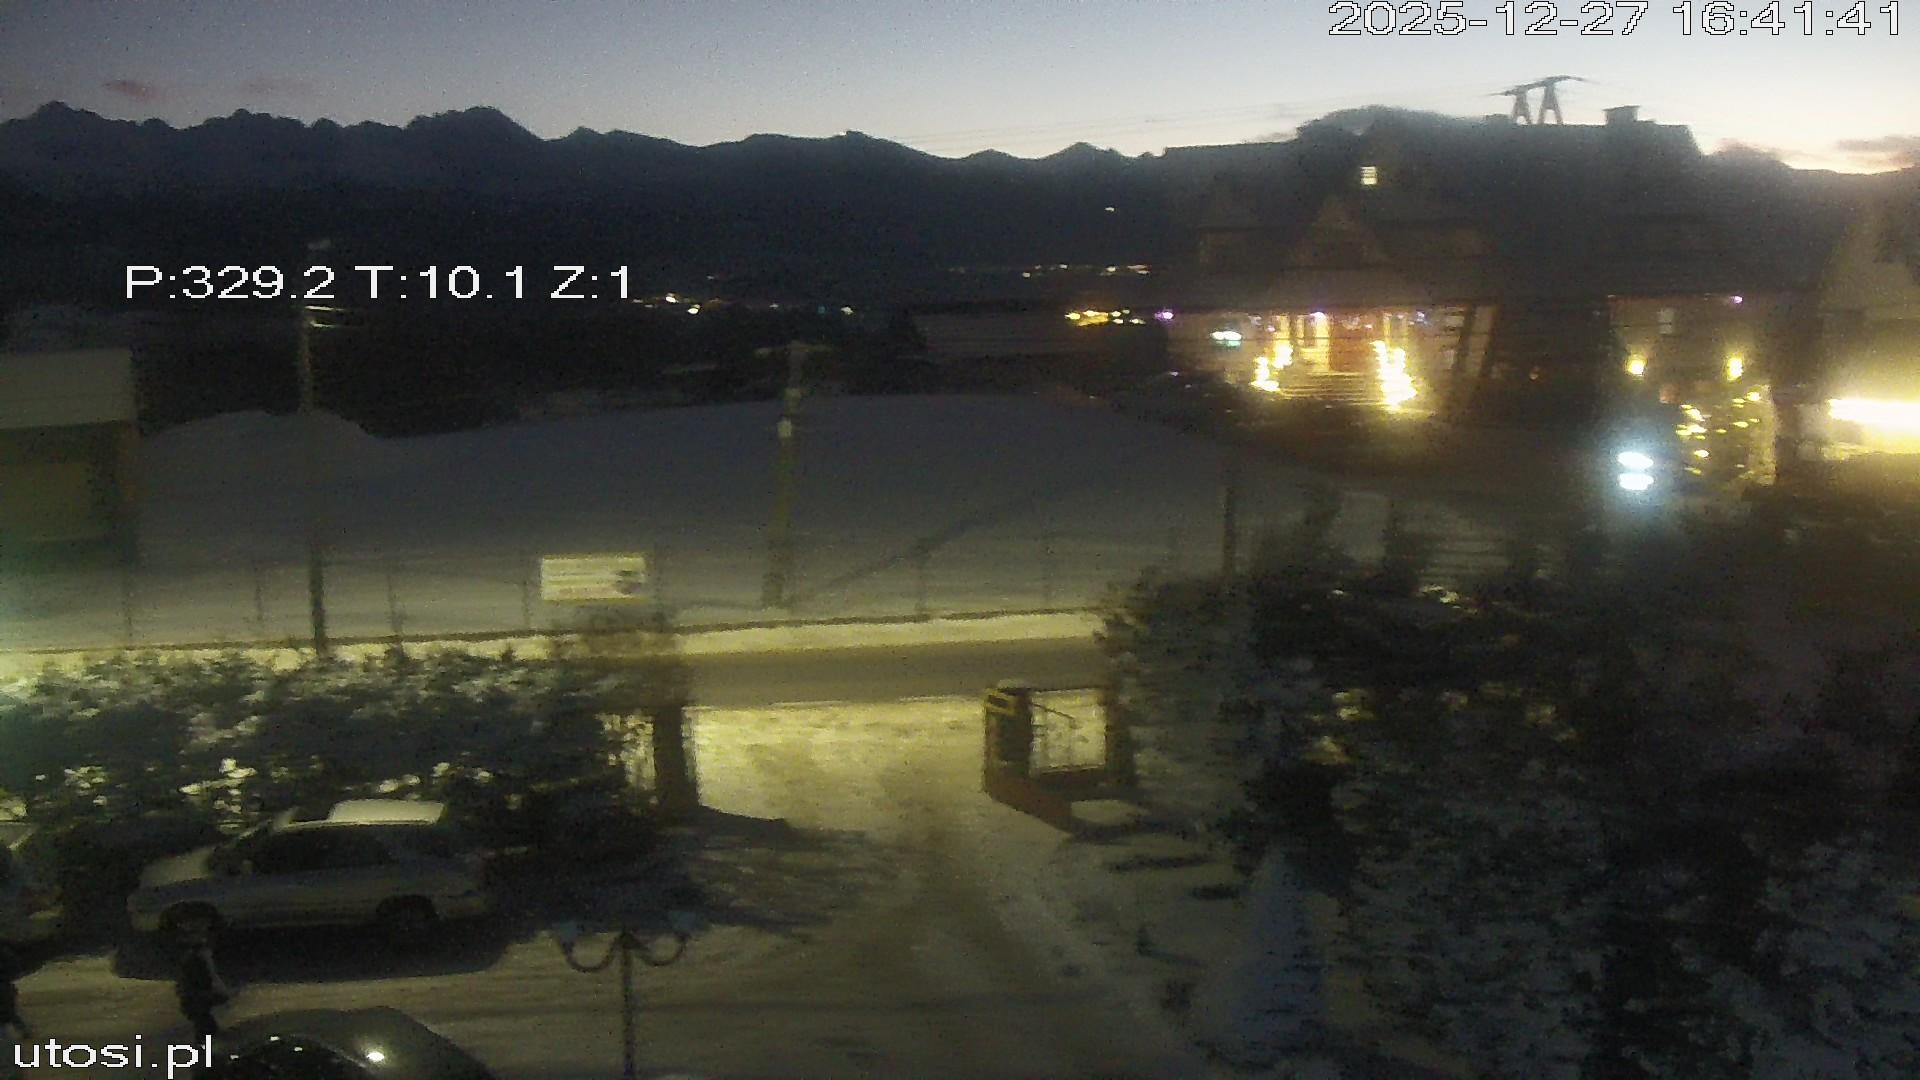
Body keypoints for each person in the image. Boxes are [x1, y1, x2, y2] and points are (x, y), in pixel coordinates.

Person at [173, 930, 234, 1042]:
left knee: (204, 1024)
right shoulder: (197, 960)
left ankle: (206, 1042)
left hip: (196, 999)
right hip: (197, 999)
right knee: (204, 1025)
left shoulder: (195, 959)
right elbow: (204, 981)